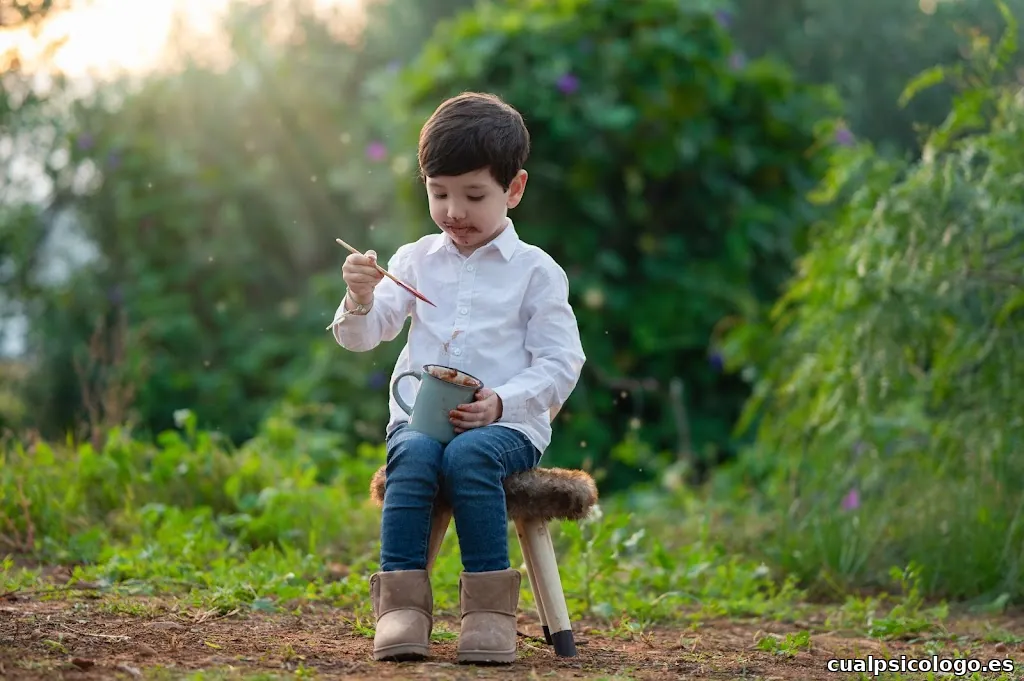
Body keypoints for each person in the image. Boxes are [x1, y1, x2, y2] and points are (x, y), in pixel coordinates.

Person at [327, 91, 586, 665]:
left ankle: (490, 615)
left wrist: (502, 403)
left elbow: (562, 362)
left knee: (469, 458)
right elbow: (362, 337)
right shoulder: (416, 260)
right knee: (414, 455)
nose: (454, 212)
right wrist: (360, 294)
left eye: (473, 195)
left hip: (508, 427)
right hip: (423, 420)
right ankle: (400, 607)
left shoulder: (536, 272)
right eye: (438, 193)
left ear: (514, 189)